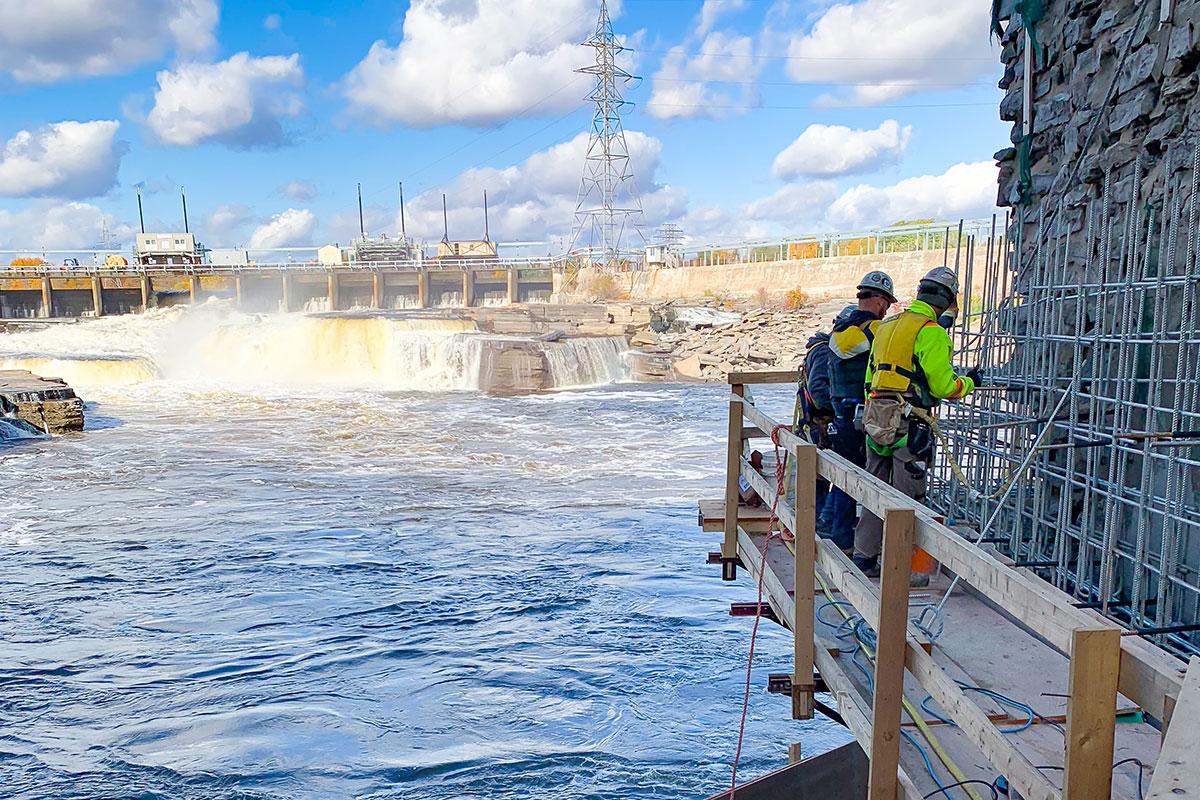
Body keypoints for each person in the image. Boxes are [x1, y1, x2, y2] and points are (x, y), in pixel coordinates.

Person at [852, 266, 980, 579]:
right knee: (908, 499)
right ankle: (902, 570)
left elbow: (871, 376)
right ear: (946, 299)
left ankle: (864, 557)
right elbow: (943, 387)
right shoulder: (931, 332)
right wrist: (970, 381)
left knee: (875, 489)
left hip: (877, 418)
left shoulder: (888, 325)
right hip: (910, 424)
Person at [824, 271, 897, 551]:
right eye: (887, 303)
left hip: (838, 412)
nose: (886, 309)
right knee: (864, 476)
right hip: (864, 413)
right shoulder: (877, 331)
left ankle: (834, 528)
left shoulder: (839, 332)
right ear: (879, 301)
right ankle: (854, 540)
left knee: (843, 473)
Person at [796, 329, 835, 533]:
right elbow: (819, 391)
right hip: (818, 425)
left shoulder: (818, 349)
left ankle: (816, 526)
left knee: (818, 478)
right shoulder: (824, 352)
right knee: (821, 478)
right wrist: (838, 406)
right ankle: (820, 528)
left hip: (814, 423)